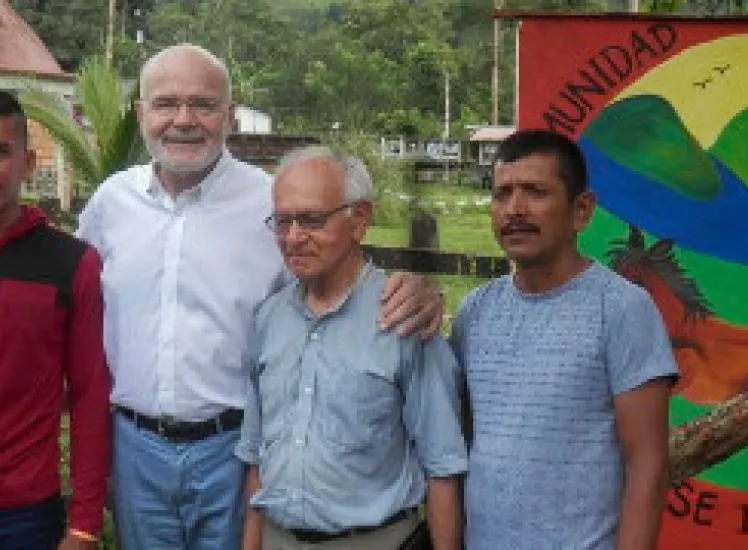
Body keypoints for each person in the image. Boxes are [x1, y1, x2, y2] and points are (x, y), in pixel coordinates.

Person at [76, 44, 442, 550]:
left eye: (203, 105)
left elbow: (335, 283)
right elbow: (70, 303)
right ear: (142, 115)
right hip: (135, 450)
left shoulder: (270, 203)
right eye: (165, 104)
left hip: (236, 450)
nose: (183, 120)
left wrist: (418, 290)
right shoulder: (109, 204)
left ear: (230, 116)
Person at [450, 129, 677, 550]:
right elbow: (459, 445)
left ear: (581, 210)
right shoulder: (474, 313)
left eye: (535, 192)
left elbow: (647, 464)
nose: (515, 209)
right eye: (502, 194)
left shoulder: (623, 310)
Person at [236, 146, 467, 550]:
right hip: (278, 537)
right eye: (283, 221)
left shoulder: (403, 320)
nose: (293, 238)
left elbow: (443, 466)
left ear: (359, 219)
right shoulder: (269, 318)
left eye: (311, 220)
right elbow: (257, 454)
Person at [0, 91, 111, 549]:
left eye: (1, 152)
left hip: (24, 515)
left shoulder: (71, 264)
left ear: (28, 164)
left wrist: (83, 525)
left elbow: (88, 396)